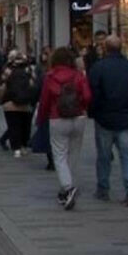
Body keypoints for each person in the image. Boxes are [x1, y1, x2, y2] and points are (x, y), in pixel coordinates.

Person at [88, 36, 128, 207]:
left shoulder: (98, 68)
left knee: (104, 156)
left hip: (104, 118)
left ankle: (103, 189)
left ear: (105, 48)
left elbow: (94, 94)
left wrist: (93, 112)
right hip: (127, 117)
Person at [37, 47, 91, 209]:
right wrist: (82, 106)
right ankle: (68, 186)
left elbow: (44, 100)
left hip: (57, 117)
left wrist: (41, 119)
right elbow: (88, 96)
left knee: (59, 155)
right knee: (73, 154)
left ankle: (67, 187)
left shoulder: (50, 77)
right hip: (78, 117)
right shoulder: (78, 76)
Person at [0, 50, 37, 159]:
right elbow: (34, 85)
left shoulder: (8, 70)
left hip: (10, 104)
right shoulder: (29, 69)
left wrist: (2, 100)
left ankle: (16, 149)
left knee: (13, 126)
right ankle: (24, 145)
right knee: (25, 126)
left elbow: (2, 84)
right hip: (26, 104)